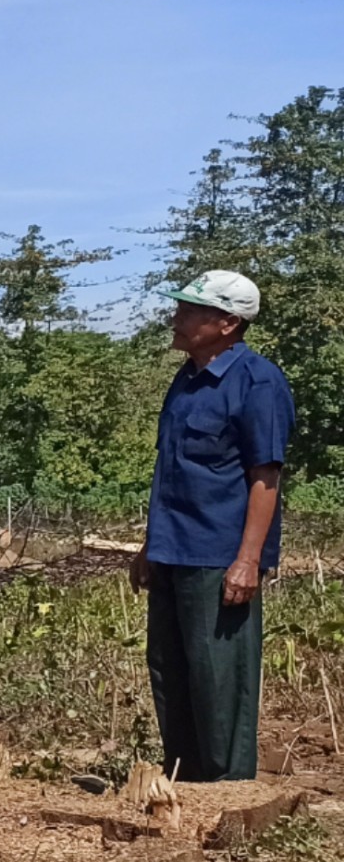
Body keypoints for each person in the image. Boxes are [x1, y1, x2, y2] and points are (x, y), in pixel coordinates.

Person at [135, 269, 292, 782]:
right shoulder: (185, 380)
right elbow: (172, 471)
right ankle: (185, 780)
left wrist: (248, 560)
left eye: (188, 311)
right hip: (171, 549)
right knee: (170, 668)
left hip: (218, 556)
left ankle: (228, 787)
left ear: (226, 322)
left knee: (218, 674)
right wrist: (148, 546)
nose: (176, 319)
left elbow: (264, 477)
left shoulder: (259, 382)